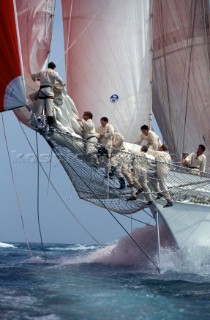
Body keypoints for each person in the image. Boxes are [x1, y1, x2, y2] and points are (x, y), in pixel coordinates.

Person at [31, 61, 65, 127]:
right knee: (49, 108)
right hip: (49, 91)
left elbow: (33, 76)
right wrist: (62, 84)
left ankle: (36, 120)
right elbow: (61, 81)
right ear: (53, 68)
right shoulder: (55, 73)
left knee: (39, 108)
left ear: (48, 66)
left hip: (42, 90)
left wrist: (36, 79)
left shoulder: (42, 72)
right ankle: (51, 124)